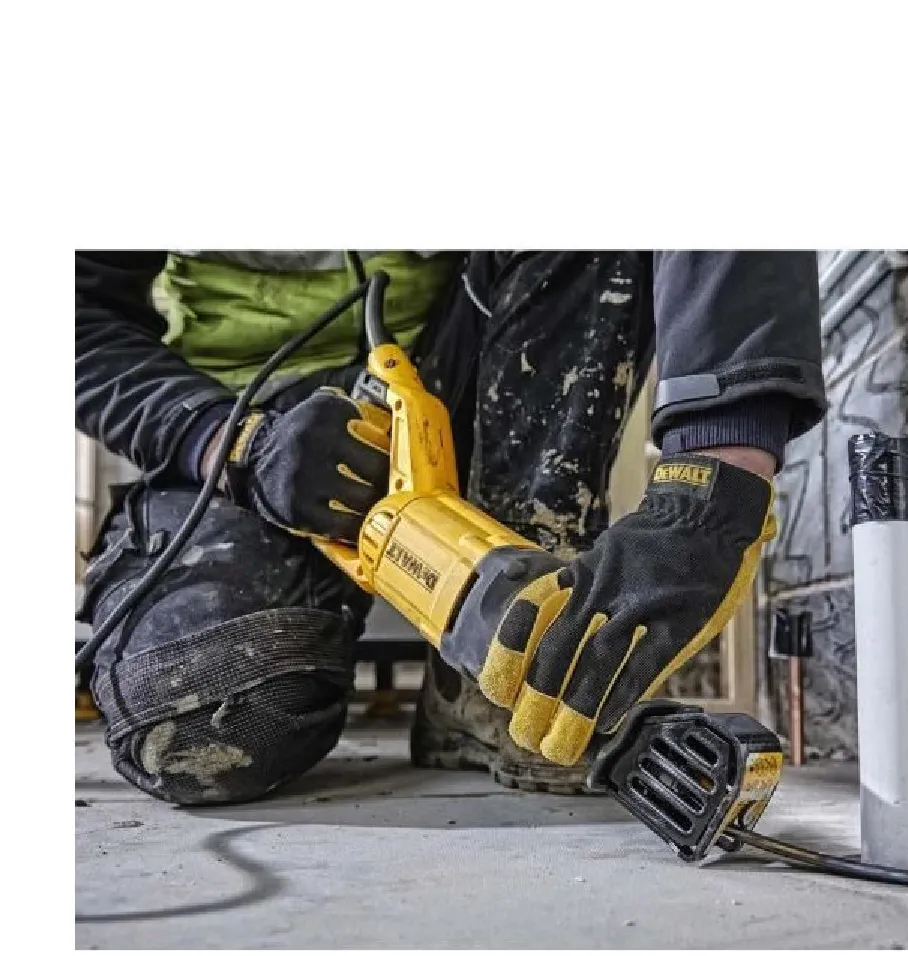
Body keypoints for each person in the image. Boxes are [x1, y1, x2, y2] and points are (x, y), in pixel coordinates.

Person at [75, 251, 826, 804]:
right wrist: (231, 442)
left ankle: (496, 672)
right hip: (242, 415)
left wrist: (712, 481)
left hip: (450, 378)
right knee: (205, 725)